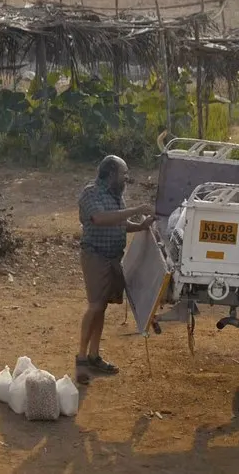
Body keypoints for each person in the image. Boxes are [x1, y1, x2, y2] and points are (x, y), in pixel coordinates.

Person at [76, 155, 154, 380]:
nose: (126, 178)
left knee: (101, 307)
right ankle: (81, 358)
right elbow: (100, 218)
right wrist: (136, 209)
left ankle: (94, 355)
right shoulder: (91, 193)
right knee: (95, 306)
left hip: (111, 257)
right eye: (123, 173)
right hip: (96, 255)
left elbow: (118, 222)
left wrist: (140, 226)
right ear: (111, 174)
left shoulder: (115, 195)